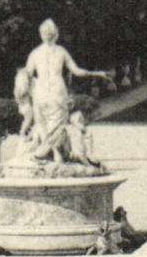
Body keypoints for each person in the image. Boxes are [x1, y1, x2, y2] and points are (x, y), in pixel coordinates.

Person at [18, 18, 110, 162]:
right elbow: (77, 71)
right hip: (58, 93)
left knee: (42, 125)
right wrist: (96, 73)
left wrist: (20, 89)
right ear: (56, 34)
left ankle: (47, 154)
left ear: (41, 34)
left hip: (41, 93)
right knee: (58, 127)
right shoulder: (61, 51)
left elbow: (26, 75)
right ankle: (53, 155)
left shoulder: (35, 53)